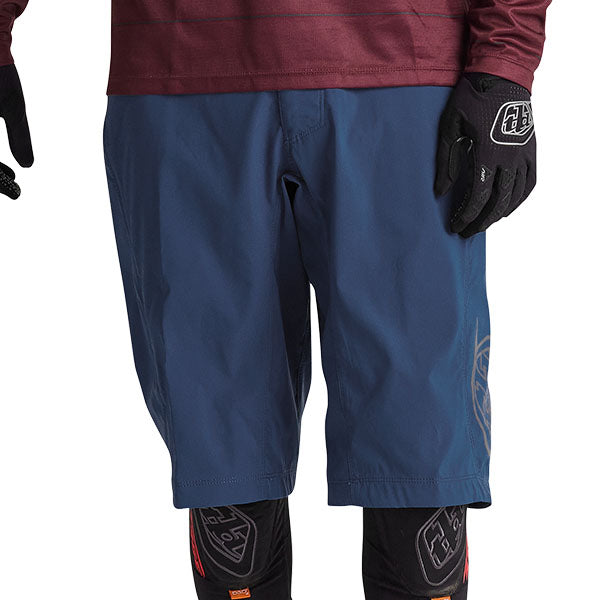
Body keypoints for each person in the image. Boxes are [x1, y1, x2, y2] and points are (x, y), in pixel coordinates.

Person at [0, 2, 551, 598]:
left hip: (402, 79)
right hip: (183, 78)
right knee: (228, 492)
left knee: (421, 479)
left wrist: (505, 64)